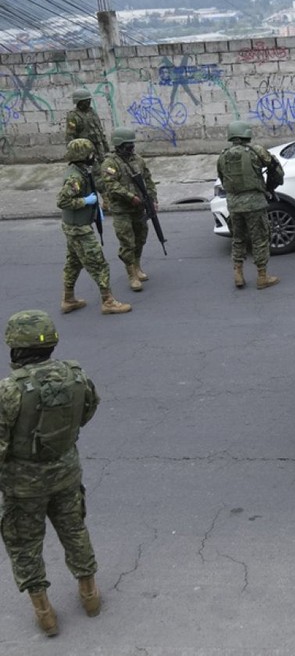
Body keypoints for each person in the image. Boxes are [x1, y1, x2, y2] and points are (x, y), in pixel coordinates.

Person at [0, 310, 103, 636]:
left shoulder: (9, 391)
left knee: (25, 544)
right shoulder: (76, 376)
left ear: (15, 347)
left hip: (23, 486)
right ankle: (89, 594)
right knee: (75, 530)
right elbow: (86, 412)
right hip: (66, 473)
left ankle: (44, 612)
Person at [57, 139, 131, 315]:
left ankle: (68, 299)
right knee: (99, 264)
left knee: (74, 263)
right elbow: (62, 200)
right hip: (79, 229)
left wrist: (95, 205)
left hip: (74, 226)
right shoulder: (75, 176)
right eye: (90, 154)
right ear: (83, 156)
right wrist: (86, 201)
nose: (93, 156)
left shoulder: (82, 171)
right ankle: (108, 301)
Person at [216, 120, 284, 289]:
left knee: (238, 238)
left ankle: (238, 274)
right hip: (255, 203)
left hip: (233, 204)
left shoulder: (223, 155)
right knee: (260, 238)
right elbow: (276, 169)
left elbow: (223, 179)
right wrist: (270, 187)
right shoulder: (256, 150)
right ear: (247, 133)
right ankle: (262, 277)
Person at [100, 128, 158, 292]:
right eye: (127, 145)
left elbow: (148, 179)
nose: (131, 148)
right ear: (118, 145)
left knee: (141, 237)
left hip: (139, 207)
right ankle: (131, 274)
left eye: (132, 144)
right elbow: (111, 185)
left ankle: (137, 266)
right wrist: (130, 196)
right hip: (122, 209)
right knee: (127, 242)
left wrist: (153, 199)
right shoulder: (110, 163)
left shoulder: (138, 160)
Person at [64, 89, 109, 163]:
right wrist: (74, 153)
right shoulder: (73, 116)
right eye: (86, 101)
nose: (88, 102)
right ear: (79, 102)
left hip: (99, 147)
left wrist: (106, 147)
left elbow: (99, 129)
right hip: (86, 149)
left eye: (89, 100)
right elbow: (70, 135)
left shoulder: (92, 112)